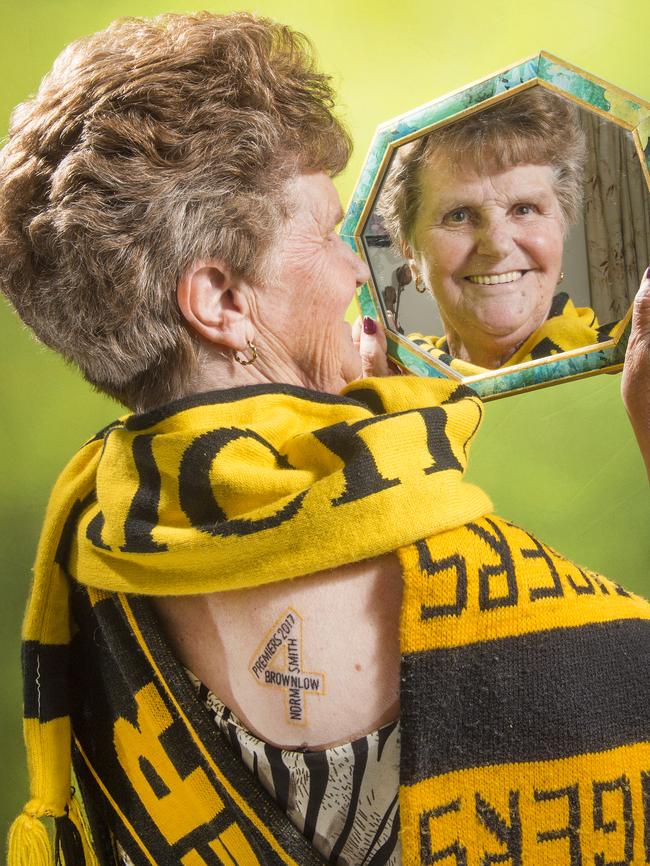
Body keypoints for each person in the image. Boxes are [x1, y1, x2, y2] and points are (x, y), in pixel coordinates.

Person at [2, 13, 649, 866]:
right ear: (222, 302)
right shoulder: (517, 604)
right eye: (328, 227)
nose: (357, 266)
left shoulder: (89, 566)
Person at [380, 87, 622, 373]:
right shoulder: (390, 384)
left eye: (524, 209)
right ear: (409, 250)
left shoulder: (628, 366)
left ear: (561, 225)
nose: (497, 246)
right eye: (458, 215)